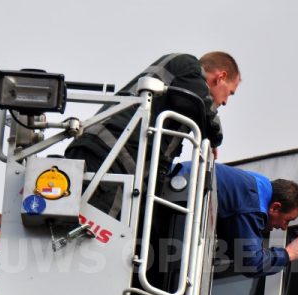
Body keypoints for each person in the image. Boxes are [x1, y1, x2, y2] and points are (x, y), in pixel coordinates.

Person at [65, 52, 241, 214]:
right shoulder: (188, 66)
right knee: (90, 232)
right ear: (221, 77)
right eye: (230, 93)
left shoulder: (180, 100)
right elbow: (206, 112)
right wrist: (215, 138)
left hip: (111, 158)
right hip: (109, 157)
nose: (225, 102)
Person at [179, 161, 298, 276]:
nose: (284, 227)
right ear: (275, 207)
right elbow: (250, 263)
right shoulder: (252, 202)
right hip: (177, 199)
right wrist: (288, 253)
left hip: (179, 188)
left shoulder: (258, 185)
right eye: (287, 220)